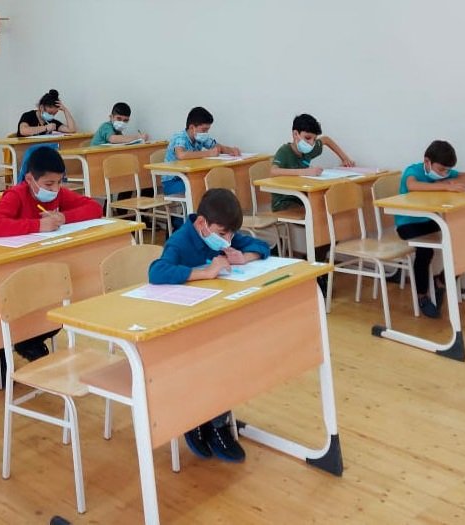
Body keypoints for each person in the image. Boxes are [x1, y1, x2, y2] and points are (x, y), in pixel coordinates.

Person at [148, 188, 270, 462]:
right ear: (202, 223)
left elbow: (261, 246)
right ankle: (196, 421)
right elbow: (156, 271)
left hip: (213, 316)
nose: (227, 240)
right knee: (209, 361)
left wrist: (244, 257)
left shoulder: (221, 234)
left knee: (228, 356)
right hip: (181, 322)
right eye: (223, 234)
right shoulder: (181, 241)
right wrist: (204, 272)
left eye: (230, 235)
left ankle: (216, 423)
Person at [0, 146, 102, 361]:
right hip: (14, 269)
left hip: (42, 266)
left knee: (56, 308)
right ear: (30, 179)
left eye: (59, 182)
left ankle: (28, 341)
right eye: (49, 184)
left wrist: (64, 217)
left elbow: (94, 208)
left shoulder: (58, 193)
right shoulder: (16, 195)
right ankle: (7, 345)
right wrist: (38, 225)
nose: (55, 189)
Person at [396, 140, 465, 317]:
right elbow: (412, 185)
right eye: (441, 170)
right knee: (425, 250)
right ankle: (422, 296)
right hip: (407, 223)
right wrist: (446, 186)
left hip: (430, 220)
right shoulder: (413, 171)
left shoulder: (444, 173)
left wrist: (451, 180)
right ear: (427, 161)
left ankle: (441, 281)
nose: (444, 173)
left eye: (447, 170)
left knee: (463, 241)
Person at [269, 113, 356, 211]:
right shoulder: (284, 151)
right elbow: (273, 171)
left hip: (303, 197)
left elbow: (326, 140)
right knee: (318, 210)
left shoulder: (309, 148)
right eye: (307, 138)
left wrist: (345, 159)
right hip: (285, 202)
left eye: (314, 139)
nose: (311, 143)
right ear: (295, 134)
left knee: (332, 203)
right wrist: (305, 172)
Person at [161, 106, 241, 196]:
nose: (206, 133)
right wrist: (209, 153)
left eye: (207, 130)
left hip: (190, 177)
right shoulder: (180, 137)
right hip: (173, 181)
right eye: (204, 130)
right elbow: (181, 155)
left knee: (214, 182)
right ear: (192, 127)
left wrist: (231, 150)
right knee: (202, 186)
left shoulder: (200, 137)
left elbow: (218, 147)